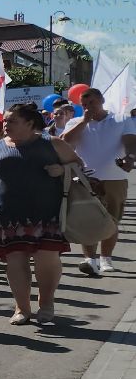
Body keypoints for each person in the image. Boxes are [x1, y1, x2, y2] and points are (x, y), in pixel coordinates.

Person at [0, 103, 87, 326]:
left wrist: (63, 170)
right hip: (7, 217)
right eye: (5, 121)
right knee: (15, 262)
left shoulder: (52, 143)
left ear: (29, 123)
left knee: (46, 260)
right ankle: (22, 308)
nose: (6, 125)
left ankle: (46, 302)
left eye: (12, 121)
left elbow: (80, 166)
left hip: (46, 215)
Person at [60, 87, 136, 276]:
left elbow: (130, 142)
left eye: (92, 102)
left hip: (114, 178)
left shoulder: (120, 119)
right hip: (85, 179)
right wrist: (84, 121)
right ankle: (90, 260)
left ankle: (106, 258)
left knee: (111, 220)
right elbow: (65, 142)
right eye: (84, 104)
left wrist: (130, 157)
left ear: (101, 101)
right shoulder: (76, 122)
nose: (88, 107)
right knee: (87, 218)